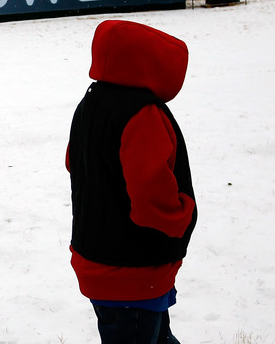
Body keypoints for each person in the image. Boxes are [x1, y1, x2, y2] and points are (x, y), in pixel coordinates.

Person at [66, 20, 198, 344]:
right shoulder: (142, 114)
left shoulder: (90, 102)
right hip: (133, 269)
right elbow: (151, 197)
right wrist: (183, 215)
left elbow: (74, 162)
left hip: (98, 257)